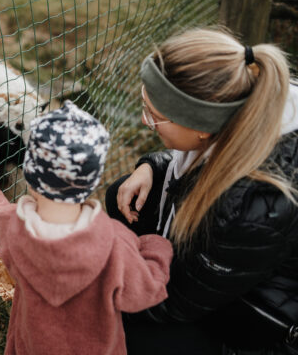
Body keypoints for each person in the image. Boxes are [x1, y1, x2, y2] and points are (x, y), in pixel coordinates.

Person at [105, 28, 298, 354]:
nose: (144, 122)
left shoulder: (251, 209)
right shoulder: (248, 112)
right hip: (223, 274)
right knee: (121, 195)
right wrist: (152, 166)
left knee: (125, 334)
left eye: (154, 116)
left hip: (253, 322)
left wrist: (103, 296)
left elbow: (180, 302)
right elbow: (196, 160)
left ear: (201, 129)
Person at [0, 100, 173, 355]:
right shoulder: (115, 242)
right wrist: (156, 247)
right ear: (92, 181)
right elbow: (146, 290)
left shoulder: (12, 225)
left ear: (30, 176)